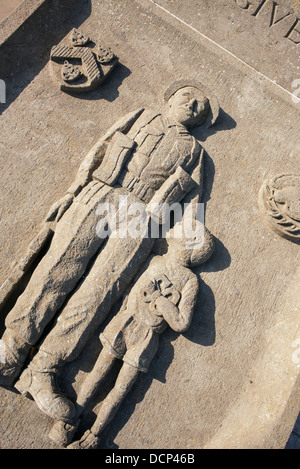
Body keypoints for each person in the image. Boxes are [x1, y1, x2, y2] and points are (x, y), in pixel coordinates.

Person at [0, 79, 219, 423]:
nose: (192, 106)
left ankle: (44, 370)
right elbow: (100, 149)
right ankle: (10, 349)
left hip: (143, 219)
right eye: (187, 97)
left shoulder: (195, 152)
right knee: (56, 270)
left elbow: (190, 212)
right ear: (170, 97)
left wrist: (175, 260)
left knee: (98, 294)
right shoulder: (141, 116)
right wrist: (72, 192)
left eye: (200, 108)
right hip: (101, 193)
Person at [50, 229, 215, 449]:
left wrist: (160, 300)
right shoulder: (156, 259)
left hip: (147, 336)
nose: (175, 229)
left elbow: (182, 323)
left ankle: (93, 437)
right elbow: (131, 289)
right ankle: (70, 421)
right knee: (97, 374)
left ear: (190, 243)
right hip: (126, 322)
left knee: (120, 389)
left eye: (183, 229)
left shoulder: (189, 281)